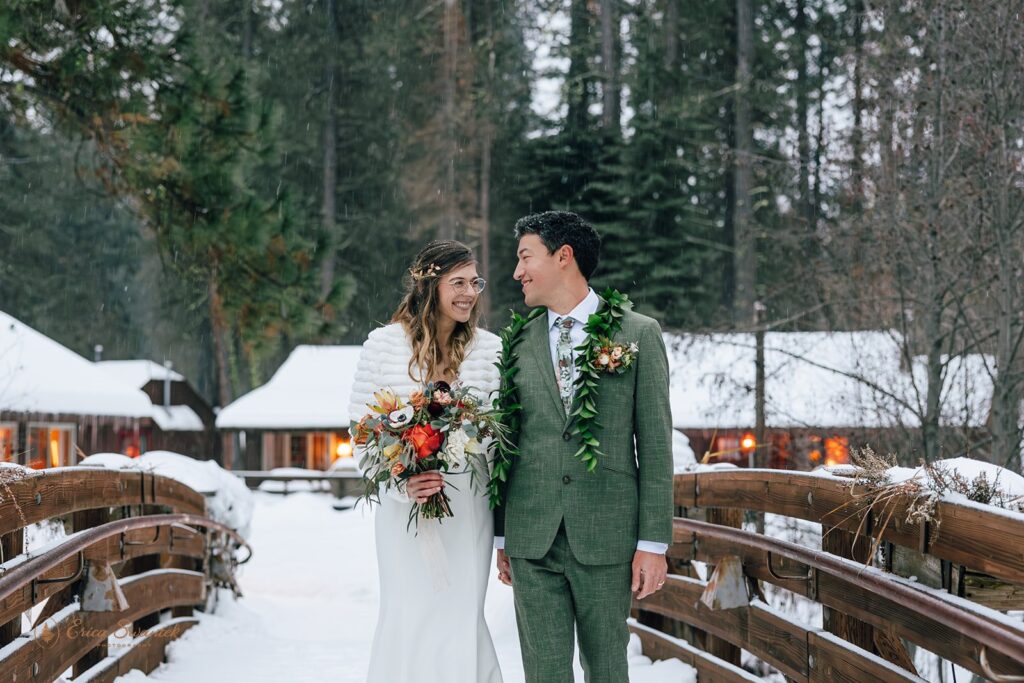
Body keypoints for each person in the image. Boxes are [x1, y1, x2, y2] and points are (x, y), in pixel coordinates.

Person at [493, 211, 674, 683]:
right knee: (544, 672)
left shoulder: (638, 334)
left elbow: (655, 445)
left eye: (525, 257)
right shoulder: (516, 343)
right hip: (532, 536)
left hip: (606, 531)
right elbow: (505, 443)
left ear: (563, 256)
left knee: (608, 668)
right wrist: (500, 535)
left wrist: (653, 543)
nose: (517, 272)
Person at [348, 240, 503, 683]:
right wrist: (402, 483)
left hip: (468, 508)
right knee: (408, 611)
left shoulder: (489, 351)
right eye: (458, 282)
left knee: (460, 613)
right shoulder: (382, 346)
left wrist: (468, 447)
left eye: (474, 282)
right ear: (428, 285)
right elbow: (361, 432)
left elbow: (500, 433)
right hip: (404, 513)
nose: (469, 293)